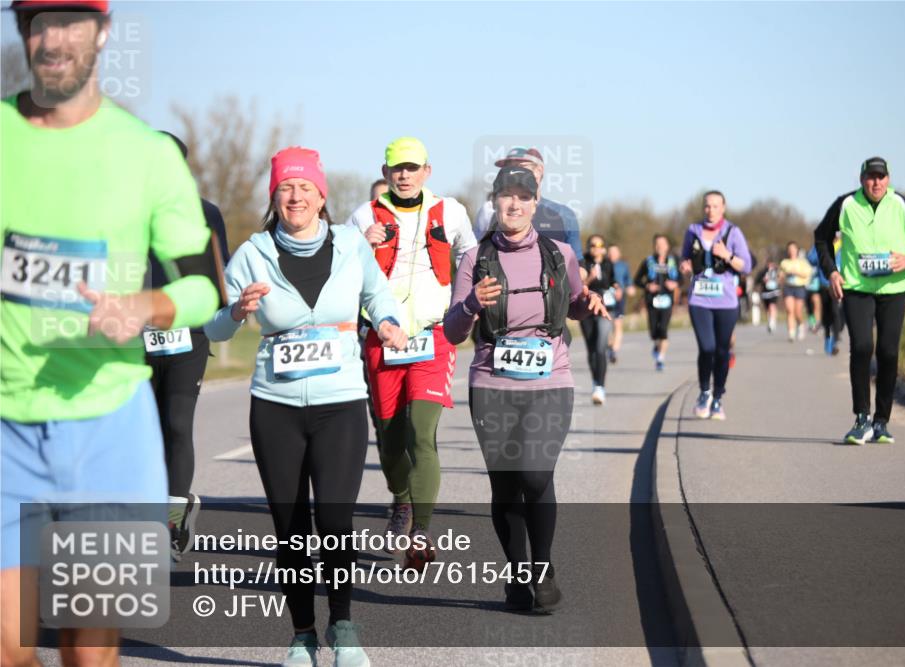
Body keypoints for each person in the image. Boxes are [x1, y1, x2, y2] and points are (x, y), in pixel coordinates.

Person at [1, 2, 222, 665]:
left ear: (101, 33)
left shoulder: (147, 155)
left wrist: (146, 306)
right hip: (6, 425)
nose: (54, 37)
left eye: (71, 21)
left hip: (109, 429)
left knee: (87, 651)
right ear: (22, 30)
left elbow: (201, 286)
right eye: (39, 20)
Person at [205, 146, 407, 666]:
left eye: (304, 188)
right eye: (285, 188)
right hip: (275, 406)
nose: (295, 196)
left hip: (340, 402)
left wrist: (386, 322)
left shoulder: (349, 246)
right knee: (290, 525)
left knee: (336, 520)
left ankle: (343, 627)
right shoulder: (252, 252)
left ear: (322, 196)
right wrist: (236, 309)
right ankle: (301, 636)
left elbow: (378, 295)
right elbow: (214, 325)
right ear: (275, 197)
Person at [443, 166, 608, 612]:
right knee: (505, 484)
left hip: (549, 377)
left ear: (536, 203)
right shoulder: (474, 259)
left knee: (535, 474)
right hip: (491, 380)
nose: (513, 204)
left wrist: (588, 304)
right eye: (505, 196)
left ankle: (542, 567)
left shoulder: (560, 254)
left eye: (522, 196)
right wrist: (473, 302)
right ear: (494, 203)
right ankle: (517, 575)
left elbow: (573, 302)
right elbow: (453, 331)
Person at [346, 137, 477, 569]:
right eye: (396, 168)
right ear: (385, 174)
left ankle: (421, 530)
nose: (403, 175)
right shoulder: (363, 216)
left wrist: (463, 307)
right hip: (381, 340)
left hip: (432, 336)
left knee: (422, 431)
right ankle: (401, 499)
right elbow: (339, 275)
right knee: (389, 440)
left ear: (427, 171)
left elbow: (472, 259)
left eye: (411, 167)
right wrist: (360, 245)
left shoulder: (452, 211)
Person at [150, 131, 231, 563]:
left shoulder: (206, 213)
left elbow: (219, 280)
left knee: (177, 424)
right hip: (135, 338)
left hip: (188, 337)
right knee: (144, 433)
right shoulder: (120, 213)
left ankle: (171, 518)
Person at [815, 156, 905, 444]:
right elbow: (821, 238)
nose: (876, 182)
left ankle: (881, 421)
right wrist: (831, 271)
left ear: (888, 179)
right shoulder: (845, 204)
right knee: (861, 347)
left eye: (881, 177)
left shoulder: (901, 204)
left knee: (888, 352)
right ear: (862, 180)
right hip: (856, 287)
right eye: (871, 177)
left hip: (894, 289)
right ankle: (861, 419)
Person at [680, 191, 752, 420]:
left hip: (726, 301)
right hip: (699, 299)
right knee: (707, 348)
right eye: (707, 206)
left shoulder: (733, 232)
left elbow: (746, 266)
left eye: (715, 206)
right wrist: (685, 266)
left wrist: (727, 255)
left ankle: (718, 397)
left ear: (723, 208)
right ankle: (704, 392)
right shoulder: (693, 231)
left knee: (722, 351)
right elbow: (684, 258)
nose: (710, 210)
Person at [473, 146, 585, 262]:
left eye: (521, 167)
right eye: (508, 168)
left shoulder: (563, 214)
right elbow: (473, 258)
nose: (513, 173)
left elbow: (577, 266)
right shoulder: (487, 211)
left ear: (539, 171)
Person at [633, 234, 680, 371]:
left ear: (667, 246)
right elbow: (637, 280)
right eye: (657, 244)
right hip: (652, 300)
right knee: (654, 331)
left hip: (667, 300)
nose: (660, 247)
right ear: (654, 246)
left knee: (663, 330)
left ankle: (660, 358)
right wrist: (647, 286)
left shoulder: (673, 261)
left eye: (662, 244)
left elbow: (681, 279)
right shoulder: (648, 261)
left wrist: (674, 284)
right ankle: (656, 344)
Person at [581, 234, 617, 404]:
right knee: (591, 348)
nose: (596, 248)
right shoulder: (583, 262)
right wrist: (590, 278)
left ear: (604, 248)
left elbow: (614, 282)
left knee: (600, 347)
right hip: (586, 310)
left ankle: (600, 387)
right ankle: (595, 380)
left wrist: (618, 289)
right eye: (592, 245)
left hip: (605, 310)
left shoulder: (608, 263)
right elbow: (579, 287)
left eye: (599, 244)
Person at [779, 241, 811, 341]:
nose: (792, 251)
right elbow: (780, 276)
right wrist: (782, 276)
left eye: (794, 248)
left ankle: (801, 325)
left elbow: (807, 274)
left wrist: (796, 272)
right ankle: (791, 333)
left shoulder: (803, 262)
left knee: (798, 311)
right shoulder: (784, 262)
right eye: (790, 249)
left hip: (799, 287)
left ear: (797, 250)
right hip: (788, 287)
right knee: (789, 310)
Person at [606, 243, 632, 364]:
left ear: (619, 253)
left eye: (614, 252)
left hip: (619, 298)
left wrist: (629, 288)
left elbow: (628, 281)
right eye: (610, 252)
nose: (612, 255)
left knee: (617, 324)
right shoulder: (604, 265)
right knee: (607, 325)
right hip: (606, 297)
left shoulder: (623, 265)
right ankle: (609, 346)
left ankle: (614, 351)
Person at [756, 259, 781, 333]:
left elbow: (781, 279)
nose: (770, 265)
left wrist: (779, 280)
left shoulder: (777, 271)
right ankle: (770, 320)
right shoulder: (763, 272)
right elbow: (757, 280)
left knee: (772, 306)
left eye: (772, 264)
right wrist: (763, 280)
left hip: (774, 292)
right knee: (767, 308)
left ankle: (772, 322)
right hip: (765, 292)